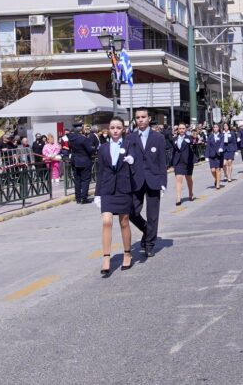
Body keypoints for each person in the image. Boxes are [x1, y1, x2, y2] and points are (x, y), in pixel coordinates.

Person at [93, 116, 134, 277]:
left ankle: (127, 253)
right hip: (107, 189)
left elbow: (136, 160)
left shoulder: (129, 144)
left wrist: (132, 159)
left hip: (123, 188)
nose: (115, 130)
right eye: (112, 128)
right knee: (107, 221)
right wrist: (97, 194)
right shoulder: (103, 148)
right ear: (108, 130)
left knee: (124, 222)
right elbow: (100, 171)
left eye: (118, 127)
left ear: (123, 129)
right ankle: (106, 257)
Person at [126, 107, 168, 257]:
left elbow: (162, 162)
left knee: (153, 215)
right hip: (136, 179)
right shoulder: (130, 137)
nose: (140, 120)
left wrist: (163, 182)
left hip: (153, 179)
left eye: (143, 117)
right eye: (138, 117)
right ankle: (146, 229)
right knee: (131, 212)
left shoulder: (158, 137)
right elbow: (128, 154)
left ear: (149, 118)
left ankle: (150, 243)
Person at [68, 122, 96, 204]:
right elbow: (90, 150)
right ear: (81, 129)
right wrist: (94, 148)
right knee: (85, 179)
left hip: (75, 160)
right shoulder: (83, 138)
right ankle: (84, 198)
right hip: (84, 160)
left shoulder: (71, 138)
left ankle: (78, 198)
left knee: (77, 180)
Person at [171, 122, 196, 205]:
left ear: (185, 129)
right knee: (178, 178)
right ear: (177, 130)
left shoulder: (189, 137)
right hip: (178, 161)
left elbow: (193, 141)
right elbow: (174, 151)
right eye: (180, 129)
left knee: (188, 178)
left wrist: (190, 140)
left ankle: (190, 193)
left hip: (188, 160)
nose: (181, 130)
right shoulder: (174, 139)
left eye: (183, 128)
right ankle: (178, 198)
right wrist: (173, 163)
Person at [206, 123, 224, 189]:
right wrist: (206, 156)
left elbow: (222, 143)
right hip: (211, 155)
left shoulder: (221, 135)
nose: (215, 128)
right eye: (214, 127)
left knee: (218, 169)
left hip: (219, 155)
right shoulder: (210, 136)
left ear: (218, 128)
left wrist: (221, 148)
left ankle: (218, 184)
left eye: (216, 127)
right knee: (213, 170)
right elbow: (208, 146)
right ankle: (217, 179)